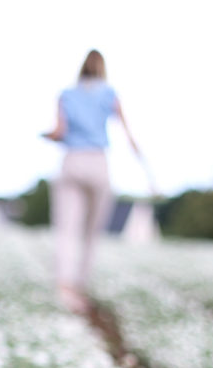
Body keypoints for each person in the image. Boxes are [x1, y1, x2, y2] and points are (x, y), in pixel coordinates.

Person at [43, 49, 143, 313]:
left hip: (72, 161)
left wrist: (47, 136)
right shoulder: (109, 94)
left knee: (66, 229)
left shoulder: (66, 94)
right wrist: (141, 159)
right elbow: (127, 132)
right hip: (99, 163)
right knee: (91, 231)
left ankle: (64, 288)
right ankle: (79, 287)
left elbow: (59, 132)